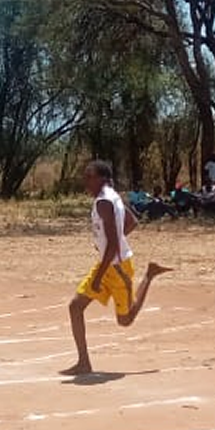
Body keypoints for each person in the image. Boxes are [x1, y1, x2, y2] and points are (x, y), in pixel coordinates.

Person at [62, 159, 173, 377]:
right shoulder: (114, 197)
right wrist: (110, 246)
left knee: (125, 320)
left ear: (102, 178)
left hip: (117, 268)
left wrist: (101, 270)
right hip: (107, 263)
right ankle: (83, 362)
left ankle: (149, 275)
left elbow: (114, 242)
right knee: (75, 307)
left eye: (89, 177)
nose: (86, 182)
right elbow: (132, 223)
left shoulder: (105, 202)